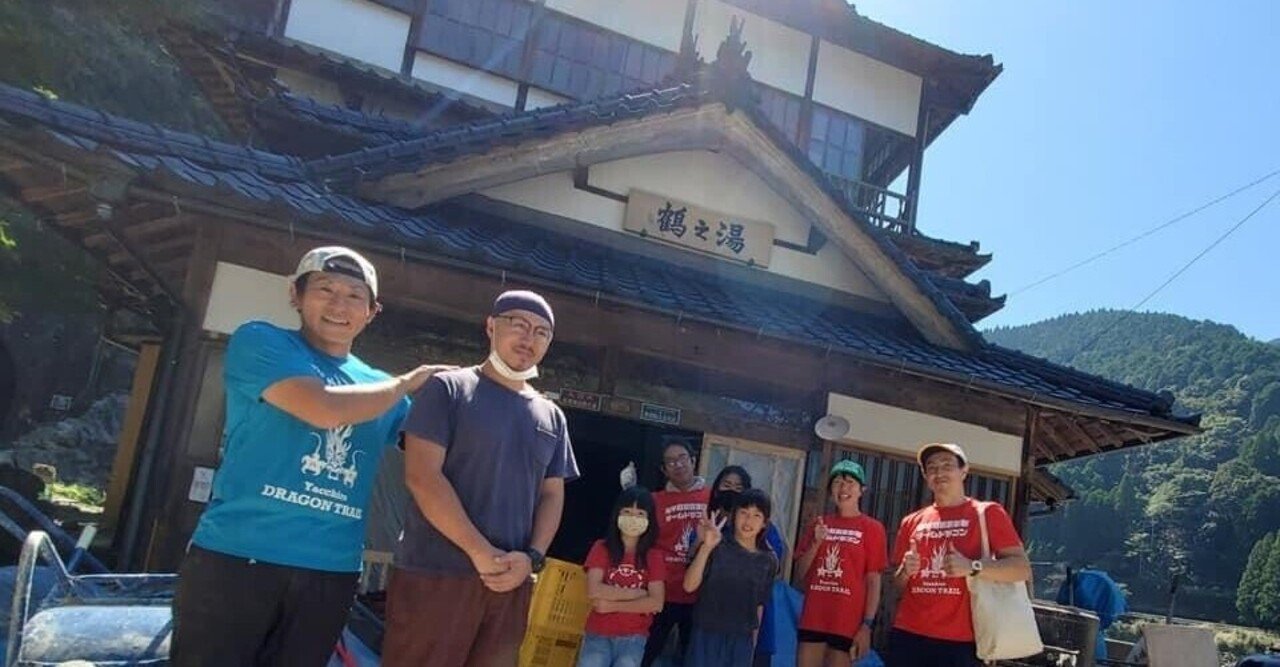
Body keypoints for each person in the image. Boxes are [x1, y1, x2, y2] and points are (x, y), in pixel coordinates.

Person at [172, 246, 448, 666]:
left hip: (330, 572)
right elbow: (322, 408)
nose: (340, 304)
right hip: (237, 557)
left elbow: (434, 456)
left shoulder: (381, 387)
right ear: (295, 296)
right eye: (325, 289)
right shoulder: (261, 341)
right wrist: (406, 384)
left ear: (372, 312)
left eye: (355, 295)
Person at [383, 290, 579, 667]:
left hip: (510, 583)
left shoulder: (552, 416)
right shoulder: (449, 388)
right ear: (491, 326)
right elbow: (422, 476)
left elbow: (552, 495)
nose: (529, 338)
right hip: (436, 573)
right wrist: (479, 552)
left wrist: (532, 558)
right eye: (518, 324)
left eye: (541, 332)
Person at [888, 443, 1032, 667]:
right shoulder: (911, 522)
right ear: (926, 476)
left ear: (964, 471)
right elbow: (897, 585)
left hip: (963, 640)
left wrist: (972, 567)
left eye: (947, 465)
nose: (939, 472)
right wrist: (905, 571)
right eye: (932, 467)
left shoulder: (987, 513)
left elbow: (1021, 569)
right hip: (908, 633)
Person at [795, 460, 887, 667]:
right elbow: (800, 573)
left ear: (861, 490)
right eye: (837, 482)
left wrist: (867, 625)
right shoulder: (818, 523)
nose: (843, 488)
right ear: (830, 491)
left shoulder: (873, 528)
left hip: (848, 622)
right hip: (814, 618)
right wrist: (816, 543)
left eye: (850, 483)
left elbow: (874, 580)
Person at [682, 488, 779, 667]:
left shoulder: (768, 560)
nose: (748, 520)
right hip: (706, 633)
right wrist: (706, 547)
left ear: (765, 523)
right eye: (744, 513)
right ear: (734, 515)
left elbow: (759, 606)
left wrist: (753, 646)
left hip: (742, 640)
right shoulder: (717, 546)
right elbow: (689, 585)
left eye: (756, 515)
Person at [578, 485, 667, 667]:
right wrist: (638, 594)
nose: (633, 518)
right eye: (627, 511)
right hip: (598, 634)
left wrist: (610, 605)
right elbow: (594, 589)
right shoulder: (602, 548)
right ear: (617, 514)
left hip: (634, 638)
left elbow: (656, 603)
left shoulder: (653, 556)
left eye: (640, 514)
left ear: (650, 519)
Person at [707, 465, 787, 667]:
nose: (732, 491)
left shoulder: (765, 530)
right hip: (712, 626)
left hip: (752, 626)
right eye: (727, 485)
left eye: (738, 487)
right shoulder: (710, 526)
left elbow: (774, 568)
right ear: (717, 489)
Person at [642, 440, 712, 667]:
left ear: (693, 461)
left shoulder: (712, 498)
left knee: (691, 658)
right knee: (646, 653)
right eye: (670, 461)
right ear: (664, 470)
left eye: (682, 458)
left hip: (700, 596)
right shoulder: (653, 501)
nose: (678, 464)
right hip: (661, 592)